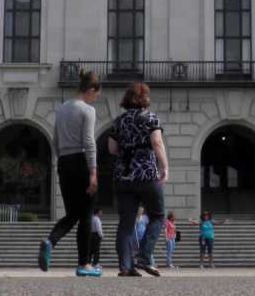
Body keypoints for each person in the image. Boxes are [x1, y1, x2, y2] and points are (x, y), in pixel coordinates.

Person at [40, 69, 102, 277]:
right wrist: (93, 173)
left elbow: (55, 140)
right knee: (85, 215)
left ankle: (50, 241)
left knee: (73, 214)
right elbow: (89, 142)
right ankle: (84, 265)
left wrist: (61, 161)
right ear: (91, 90)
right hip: (81, 161)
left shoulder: (62, 109)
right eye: (96, 95)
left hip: (64, 162)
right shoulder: (87, 110)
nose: (95, 99)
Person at [106, 81, 169, 278]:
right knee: (158, 215)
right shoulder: (151, 118)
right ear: (145, 99)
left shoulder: (118, 121)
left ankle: (126, 267)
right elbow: (157, 142)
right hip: (147, 175)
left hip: (123, 176)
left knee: (126, 222)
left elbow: (112, 149)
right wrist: (165, 167)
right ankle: (144, 255)